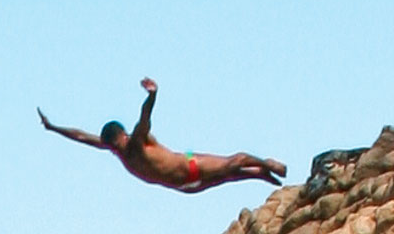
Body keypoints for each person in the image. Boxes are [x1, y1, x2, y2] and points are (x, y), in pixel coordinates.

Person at [39, 78, 286, 193]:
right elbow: (83, 137)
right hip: (182, 183)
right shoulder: (119, 148)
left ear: (122, 136)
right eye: (114, 147)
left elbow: (144, 118)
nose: (118, 148)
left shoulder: (135, 141)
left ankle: (267, 165)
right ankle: (260, 173)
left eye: (118, 144)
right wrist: (53, 127)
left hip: (190, 168)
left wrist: (152, 95)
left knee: (234, 163)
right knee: (230, 174)